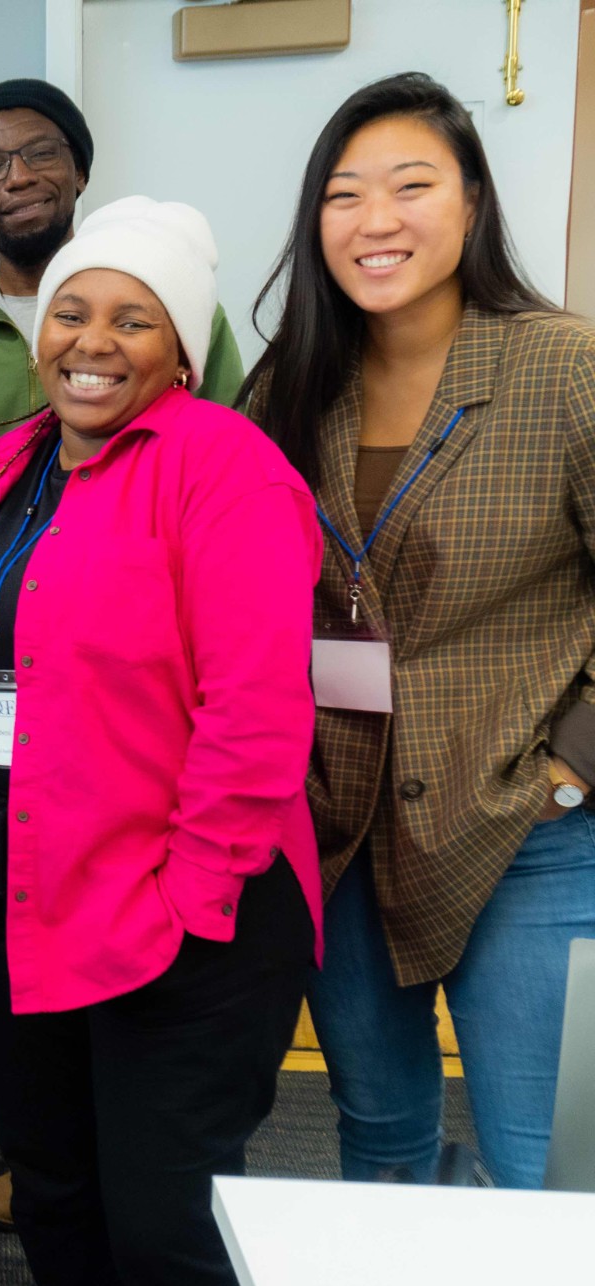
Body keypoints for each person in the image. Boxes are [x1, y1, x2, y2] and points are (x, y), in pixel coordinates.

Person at [0, 197, 322, 1286]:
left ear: (180, 348)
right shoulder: (9, 459)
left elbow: (255, 707)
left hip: (177, 907)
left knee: (162, 1225)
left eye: (133, 319)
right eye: (69, 311)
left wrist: (191, 895)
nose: (91, 341)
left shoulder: (228, 468)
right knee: (55, 1196)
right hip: (7, 889)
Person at [242, 72, 595, 1191]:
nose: (374, 220)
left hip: (519, 830)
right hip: (335, 827)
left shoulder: (560, 367)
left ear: (473, 203)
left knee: (545, 1165)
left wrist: (569, 769)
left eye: (410, 186)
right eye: (343, 194)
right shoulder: (291, 384)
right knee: (377, 1146)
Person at [0, 78, 246, 474]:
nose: (19, 177)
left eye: (41, 154)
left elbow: (236, 463)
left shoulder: (178, 314)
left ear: (79, 173)